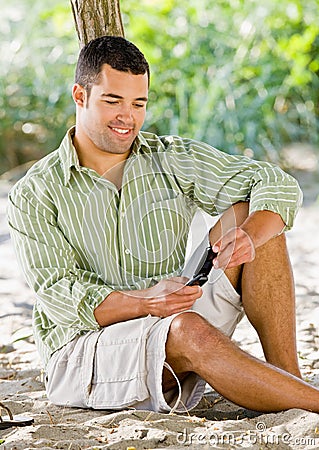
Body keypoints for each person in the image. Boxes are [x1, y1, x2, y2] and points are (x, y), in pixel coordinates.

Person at [7, 35, 319, 414]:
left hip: (174, 314)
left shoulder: (168, 157)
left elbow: (275, 182)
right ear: (79, 95)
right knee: (187, 329)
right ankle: (312, 401)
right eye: (113, 101)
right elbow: (60, 296)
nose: (128, 117)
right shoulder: (35, 191)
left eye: (139, 103)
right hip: (86, 349)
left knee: (255, 217)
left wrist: (250, 235)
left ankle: (289, 383)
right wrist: (146, 301)